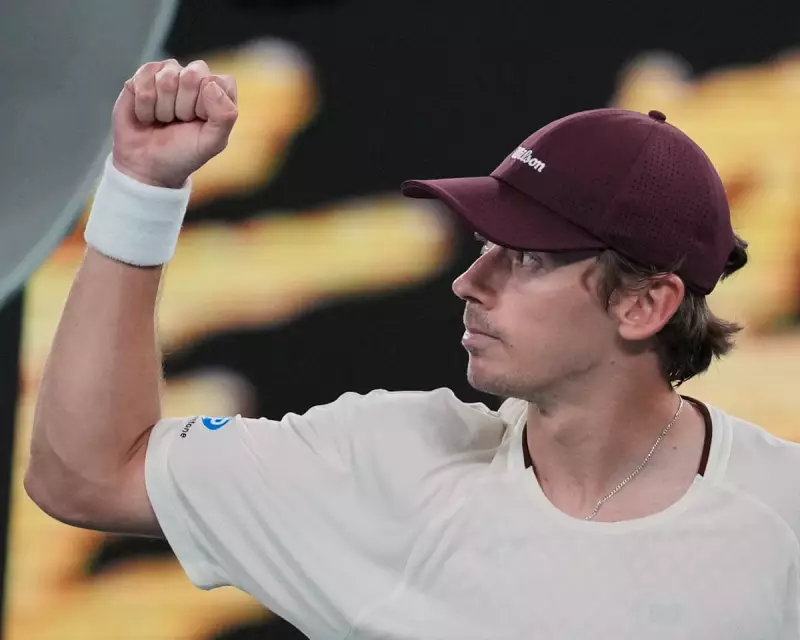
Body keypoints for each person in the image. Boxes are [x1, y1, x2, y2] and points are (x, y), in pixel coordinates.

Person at [25, 59, 800, 639]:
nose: (469, 282)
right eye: (484, 243)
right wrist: (141, 190)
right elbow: (86, 476)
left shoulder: (785, 517)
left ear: (644, 303)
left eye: (526, 257)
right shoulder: (387, 462)